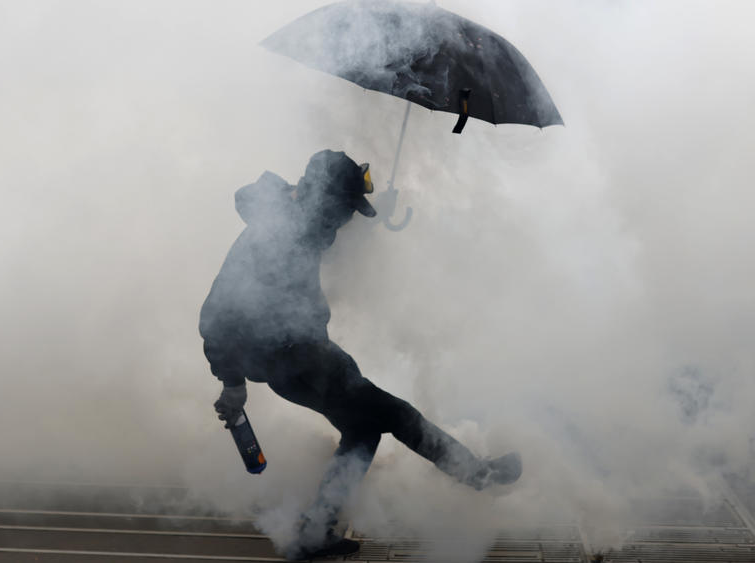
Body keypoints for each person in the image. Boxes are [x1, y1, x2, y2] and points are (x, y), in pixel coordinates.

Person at [199, 150, 521, 560]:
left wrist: (375, 213)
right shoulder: (277, 235)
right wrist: (232, 385)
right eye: (345, 208)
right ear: (324, 200)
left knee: (363, 429)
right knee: (397, 414)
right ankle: (477, 474)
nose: (347, 219)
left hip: (302, 359)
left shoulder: (296, 219)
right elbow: (216, 315)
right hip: (298, 360)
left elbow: (323, 235)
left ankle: (315, 531)